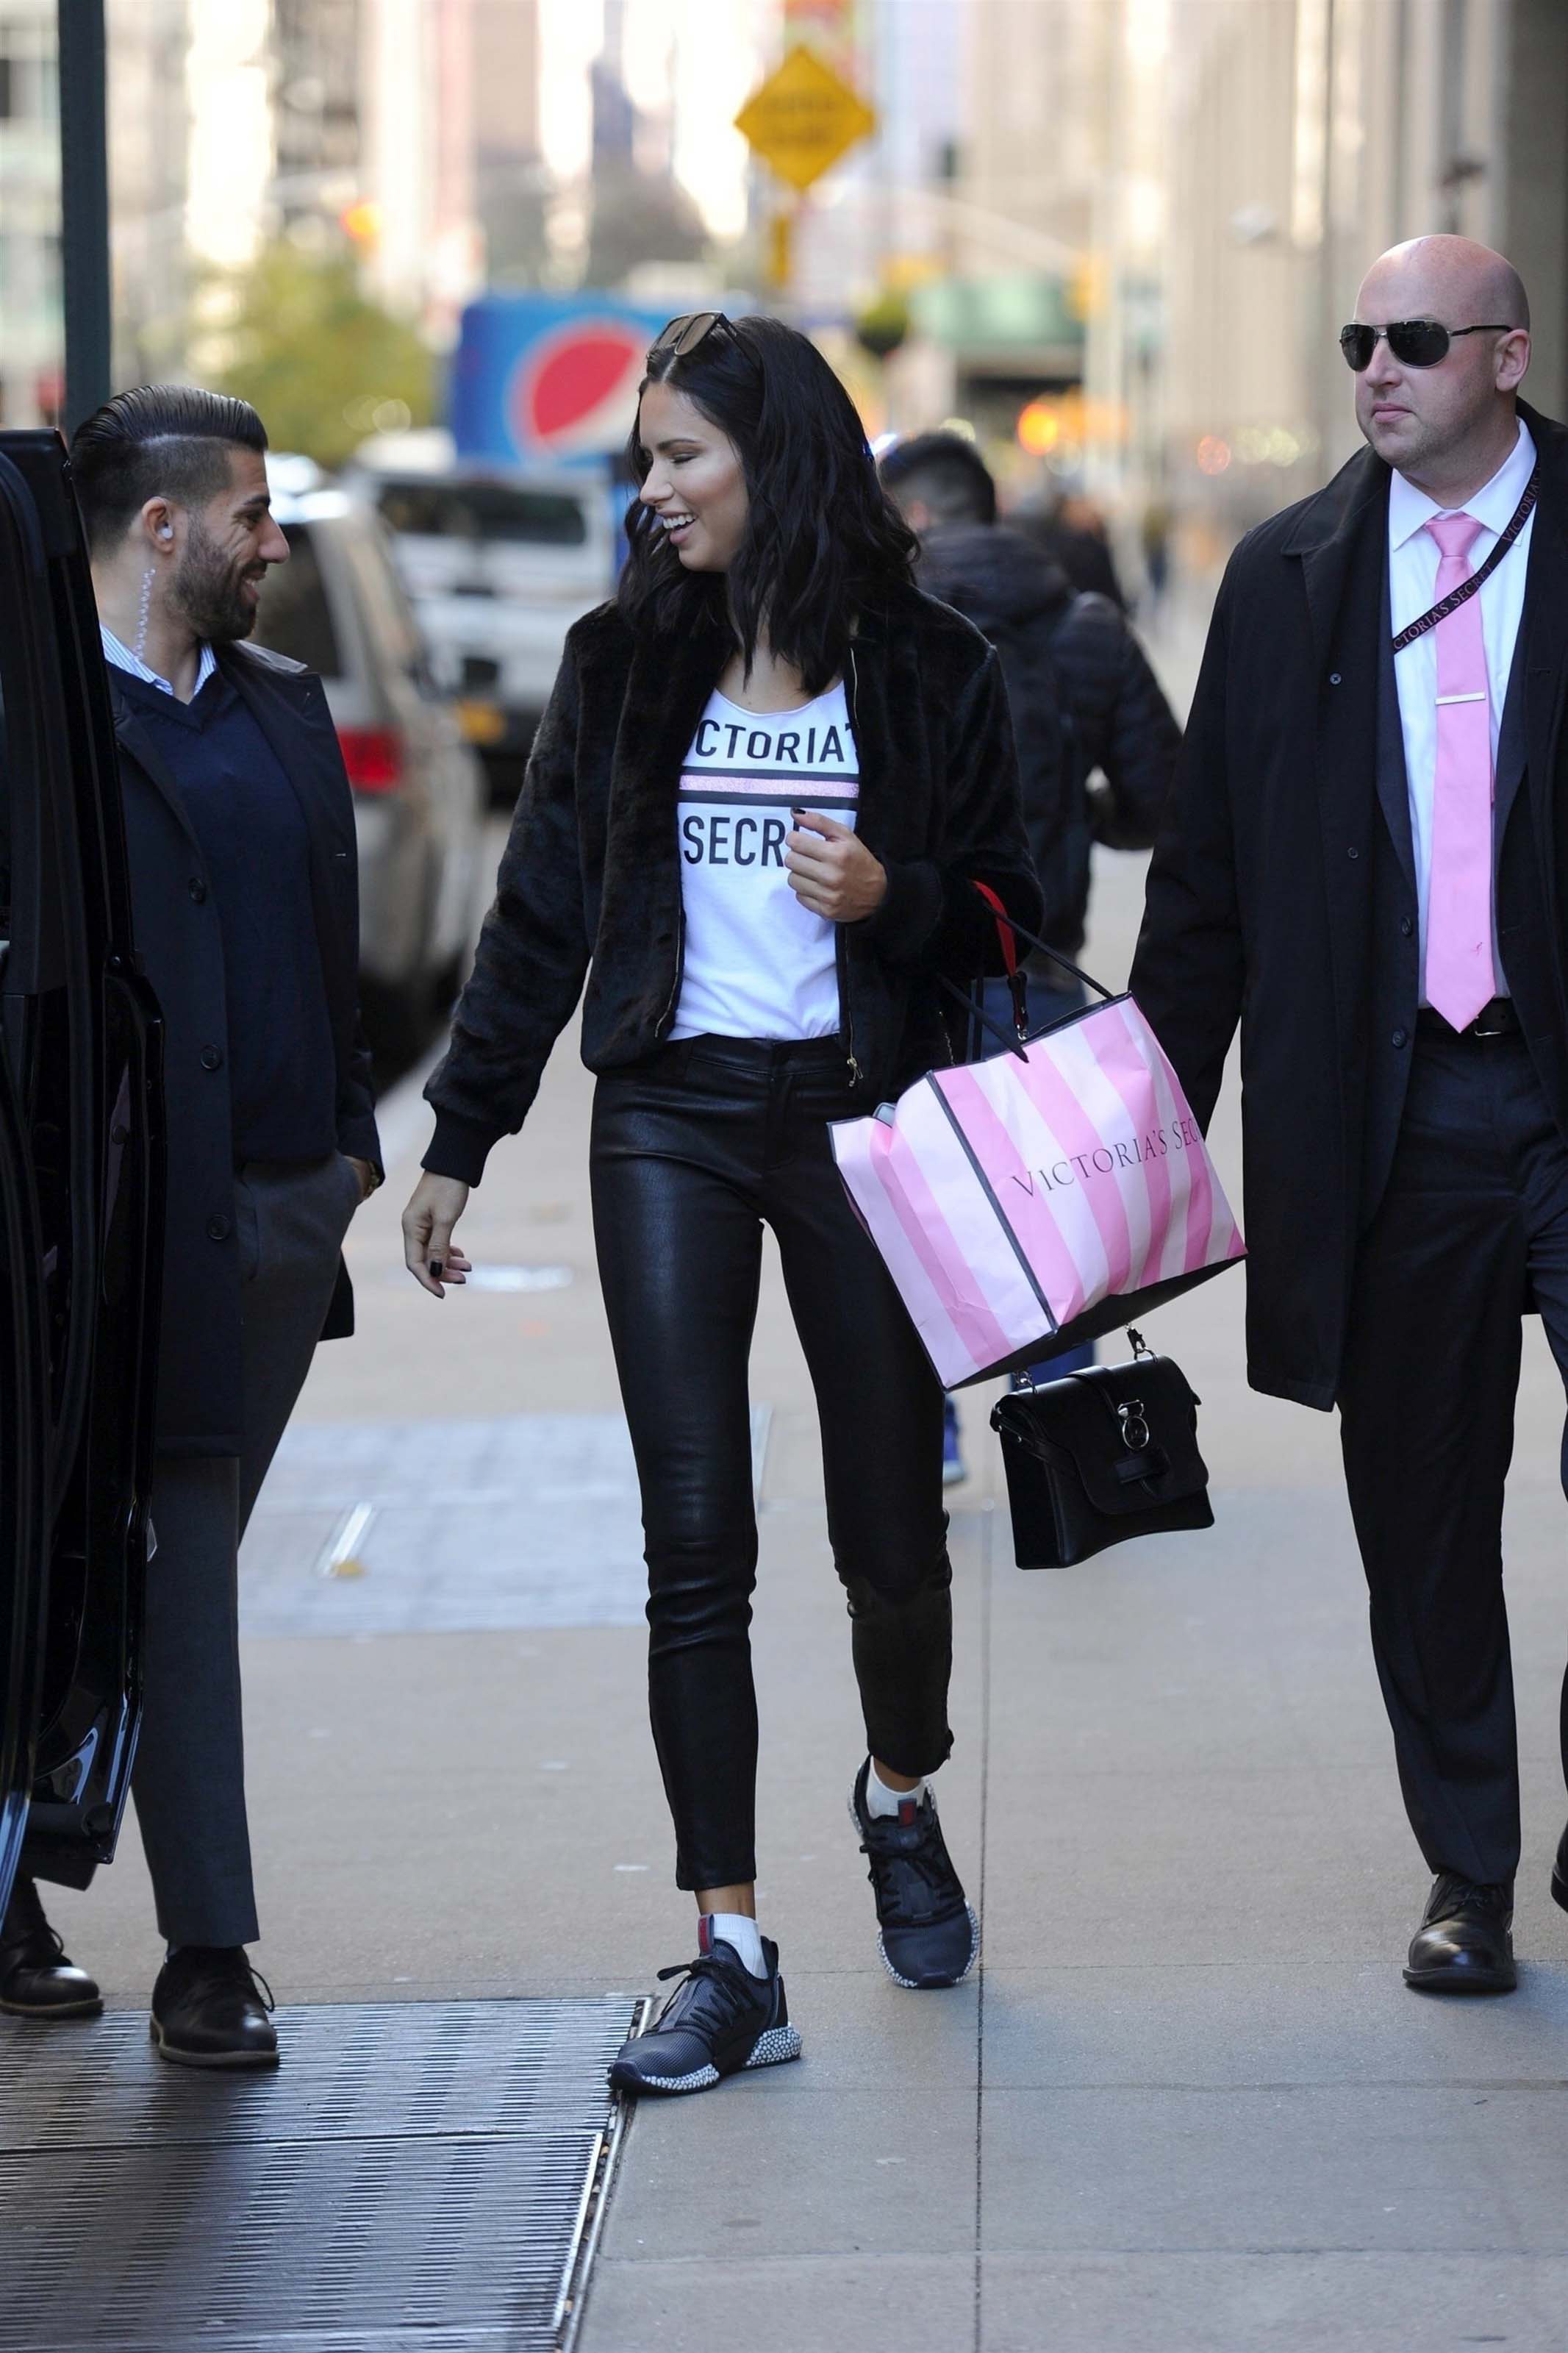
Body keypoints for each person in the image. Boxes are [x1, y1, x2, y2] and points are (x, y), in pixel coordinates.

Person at [401, 313, 1041, 2096]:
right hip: (667, 1119)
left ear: (776, 457)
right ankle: (730, 1950)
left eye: (683, 453)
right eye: (644, 458)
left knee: (887, 1541)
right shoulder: (621, 661)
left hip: (857, 1126)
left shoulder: (926, 665)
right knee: (696, 1546)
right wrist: (461, 1133)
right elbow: (540, 906)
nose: (653, 485)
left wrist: (892, 897)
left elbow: (1011, 907)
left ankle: (895, 1786)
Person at [1131, 235, 1564, 1995]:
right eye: (1353, 341)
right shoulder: (1290, 574)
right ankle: (1467, 1868)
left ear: (1505, 356)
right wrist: (1146, 1138)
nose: (1373, 368)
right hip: (1392, 1115)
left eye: (1410, 340)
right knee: (1420, 1505)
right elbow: (1204, 879)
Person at [0, 388, 382, 2066]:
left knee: (155, 1562)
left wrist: (349, 1159)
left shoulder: (286, 708)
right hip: (103, 1229)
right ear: (160, 530)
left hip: (277, 1215)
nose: (273, 541)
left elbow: (326, 935)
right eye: (250, 510)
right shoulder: (40, 723)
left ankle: (26, 1877)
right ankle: (207, 1949)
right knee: (166, 1561)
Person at [880, 429, 1181, 1472]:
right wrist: (1079, 816)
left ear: (910, 518)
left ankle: (931, 1431)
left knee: (924, 1203)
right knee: (1052, 1210)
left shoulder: (872, 629)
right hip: (1035, 966)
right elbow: (1162, 801)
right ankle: (1057, 1442)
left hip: (901, 968)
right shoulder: (1086, 629)